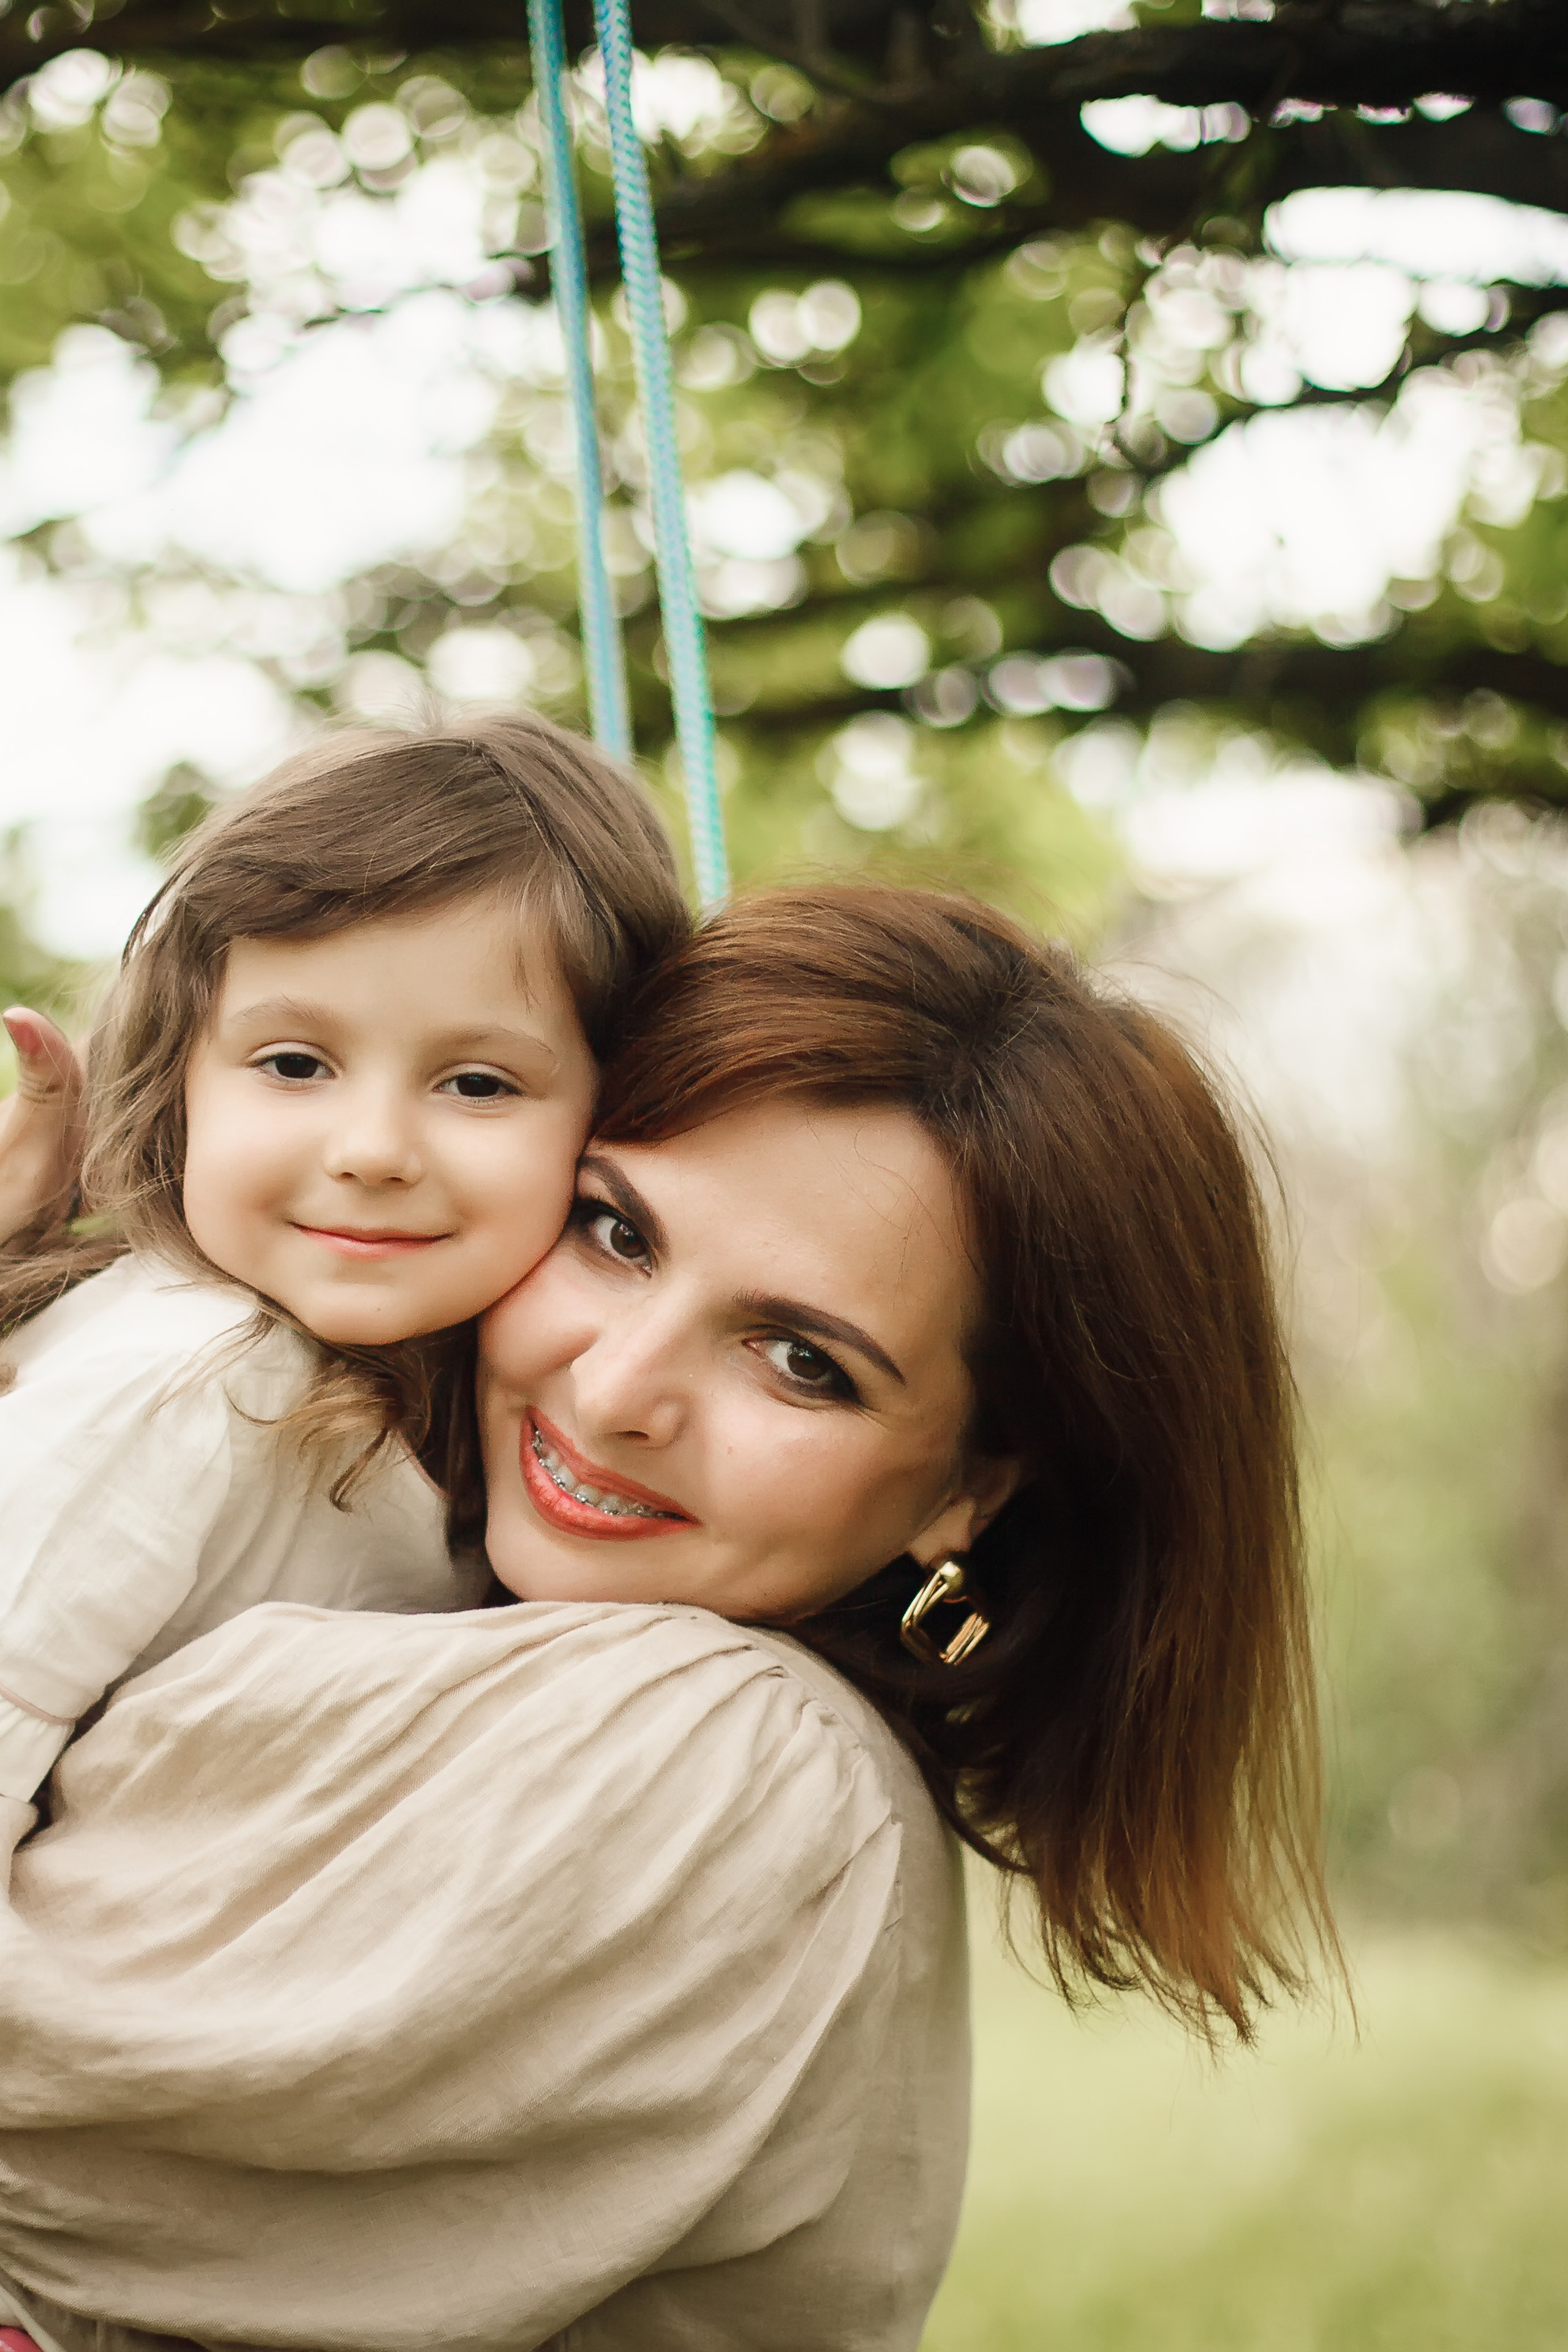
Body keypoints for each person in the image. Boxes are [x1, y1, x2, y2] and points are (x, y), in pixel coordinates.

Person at [0, 883, 1333, 2352]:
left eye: (799, 1360)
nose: (617, 1390)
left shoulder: (737, 1767)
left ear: (975, 1490)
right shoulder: (408, 1560)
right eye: (613, 1231)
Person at [0, 715, 687, 1866]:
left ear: (608, 1122)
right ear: (179, 1082)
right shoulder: (181, 1387)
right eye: (295, 1065)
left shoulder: (487, 1418)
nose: (372, 1148)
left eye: (477, 1082)